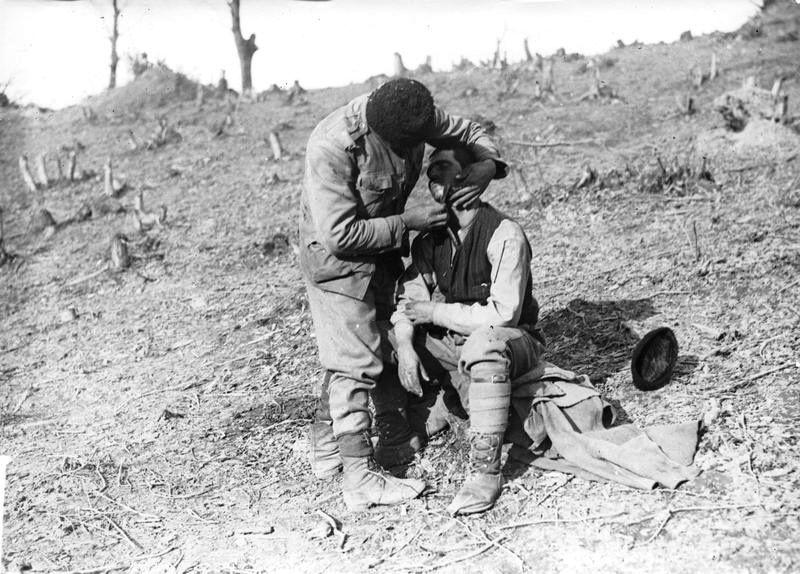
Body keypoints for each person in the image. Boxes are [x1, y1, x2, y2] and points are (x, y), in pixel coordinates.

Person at [300, 78, 508, 511]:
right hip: (337, 262)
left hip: (381, 250)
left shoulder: (415, 115)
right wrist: (407, 222)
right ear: (381, 132)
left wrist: (488, 163)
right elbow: (339, 235)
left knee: (360, 345)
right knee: (355, 362)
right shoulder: (334, 146)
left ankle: (326, 450)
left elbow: (469, 133)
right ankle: (359, 480)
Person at [390, 144, 545, 515]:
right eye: (430, 170)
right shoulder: (432, 239)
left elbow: (502, 315)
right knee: (388, 336)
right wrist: (406, 345)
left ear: (468, 176)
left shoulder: (505, 233)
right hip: (459, 343)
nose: (431, 177)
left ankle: (486, 472)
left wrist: (435, 311)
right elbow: (409, 302)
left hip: (512, 344)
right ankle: (423, 416)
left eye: (441, 167)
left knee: (483, 344)